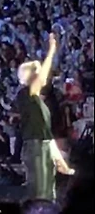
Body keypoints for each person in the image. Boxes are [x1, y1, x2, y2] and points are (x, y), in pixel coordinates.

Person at [15, 34, 74, 201]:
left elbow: (45, 134)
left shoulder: (40, 103)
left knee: (49, 193)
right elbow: (38, 136)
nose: (43, 76)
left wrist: (60, 161)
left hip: (42, 146)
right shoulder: (25, 94)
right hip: (35, 149)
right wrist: (51, 51)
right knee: (40, 193)